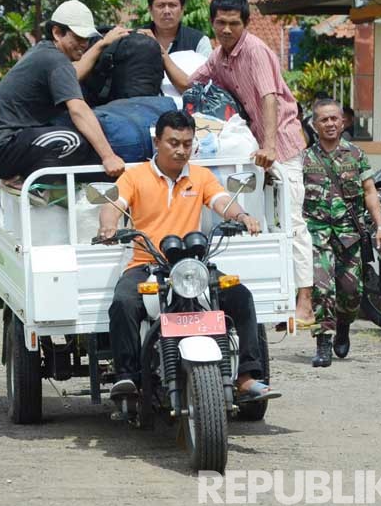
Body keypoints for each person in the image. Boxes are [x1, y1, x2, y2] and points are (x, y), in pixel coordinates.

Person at [98, 110, 280, 400]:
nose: (181, 150)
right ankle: (128, 378)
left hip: (192, 265)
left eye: (187, 143)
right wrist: (108, 225)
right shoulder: (135, 176)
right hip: (147, 264)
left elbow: (222, 201)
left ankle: (246, 377)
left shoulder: (201, 176)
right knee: (123, 303)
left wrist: (243, 215)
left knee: (241, 296)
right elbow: (113, 203)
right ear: (157, 142)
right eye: (173, 142)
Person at [162, 0, 315, 327]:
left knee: (291, 220)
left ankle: (305, 300)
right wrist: (160, 53)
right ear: (213, 23)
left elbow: (270, 98)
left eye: (234, 23)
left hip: (281, 143)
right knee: (260, 218)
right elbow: (188, 84)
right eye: (221, 23)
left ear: (245, 24)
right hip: (252, 147)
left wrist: (271, 147)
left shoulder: (256, 51)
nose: (227, 29)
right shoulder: (220, 56)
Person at [0, 0, 129, 186]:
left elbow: (73, 75)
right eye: (78, 38)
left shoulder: (45, 52)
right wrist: (109, 157)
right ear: (57, 32)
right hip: (3, 147)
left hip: (3, 146)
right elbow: (78, 110)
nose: (84, 44)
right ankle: (35, 186)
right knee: (72, 140)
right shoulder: (54, 60)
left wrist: (100, 45)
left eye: (87, 39)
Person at [303, 99, 381, 367]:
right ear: (314, 125)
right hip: (316, 235)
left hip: (349, 234)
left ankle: (343, 326)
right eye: (323, 120)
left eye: (334, 119)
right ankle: (323, 342)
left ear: (343, 122)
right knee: (321, 288)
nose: (329, 124)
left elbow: (369, 192)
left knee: (351, 292)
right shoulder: (304, 159)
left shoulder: (356, 155)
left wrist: (380, 227)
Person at [143, 0, 212, 58]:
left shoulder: (199, 41)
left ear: (182, 9)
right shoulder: (136, 38)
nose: (166, 11)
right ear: (150, 10)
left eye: (172, 5)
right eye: (161, 5)